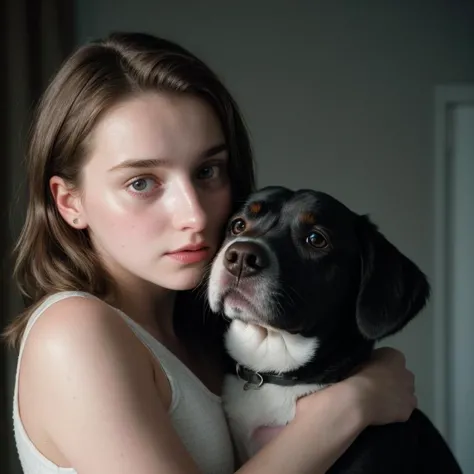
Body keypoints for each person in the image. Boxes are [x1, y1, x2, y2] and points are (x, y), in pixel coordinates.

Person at [3, 32, 417, 474]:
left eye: (207, 171)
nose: (194, 214)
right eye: (141, 182)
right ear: (70, 202)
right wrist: (351, 405)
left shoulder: (208, 332)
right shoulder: (73, 331)